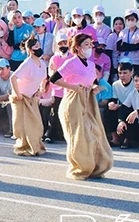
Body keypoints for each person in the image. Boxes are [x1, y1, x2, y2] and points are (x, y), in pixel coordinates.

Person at [50, 33, 114, 179]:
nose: (90, 47)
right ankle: (80, 167)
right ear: (77, 48)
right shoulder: (71, 63)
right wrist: (72, 87)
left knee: (94, 132)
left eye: (91, 44)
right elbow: (54, 78)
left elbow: (90, 81)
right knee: (78, 136)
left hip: (88, 101)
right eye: (86, 45)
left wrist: (94, 87)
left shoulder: (91, 64)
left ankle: (96, 165)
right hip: (73, 102)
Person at [10, 38, 48, 156]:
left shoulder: (42, 64)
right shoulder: (27, 63)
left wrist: (40, 91)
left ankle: (36, 145)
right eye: (36, 47)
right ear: (30, 50)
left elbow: (44, 79)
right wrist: (18, 95)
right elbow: (13, 78)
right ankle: (24, 146)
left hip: (32, 97)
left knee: (36, 123)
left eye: (39, 45)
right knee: (22, 125)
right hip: (21, 97)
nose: (39, 48)